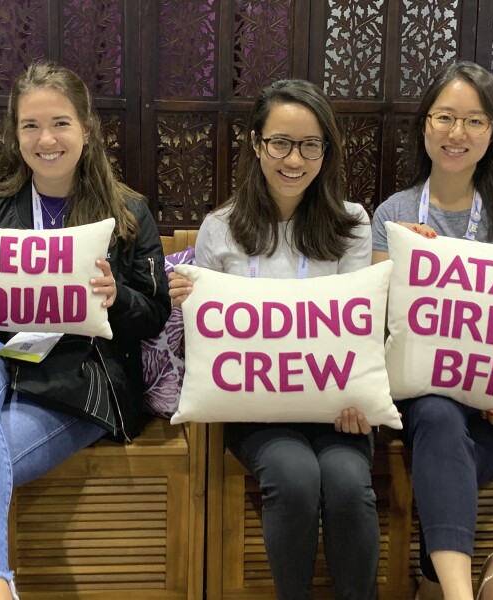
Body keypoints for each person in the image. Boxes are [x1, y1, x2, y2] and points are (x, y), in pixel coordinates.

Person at [0, 61, 170, 600]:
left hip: (79, 379)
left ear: (87, 128)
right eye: (30, 126)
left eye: (60, 123)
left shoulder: (128, 212)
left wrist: (116, 297)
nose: (46, 139)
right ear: (15, 137)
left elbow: (154, 313)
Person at [169, 79, 378, 599]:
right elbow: (210, 340)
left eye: (310, 145)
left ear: (325, 153)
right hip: (254, 410)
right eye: (280, 142)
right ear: (257, 143)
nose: (294, 159)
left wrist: (358, 399)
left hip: (338, 410)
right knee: (295, 476)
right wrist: (188, 304)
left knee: (349, 483)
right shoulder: (220, 227)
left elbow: (363, 327)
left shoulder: (352, 223)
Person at [371, 61, 493, 600]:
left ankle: (433, 580)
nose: (457, 133)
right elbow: (379, 323)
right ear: (424, 124)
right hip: (426, 398)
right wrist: (408, 260)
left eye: (474, 121)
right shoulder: (394, 214)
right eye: (445, 117)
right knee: (441, 416)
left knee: (450, 442)